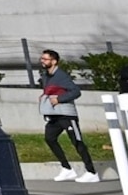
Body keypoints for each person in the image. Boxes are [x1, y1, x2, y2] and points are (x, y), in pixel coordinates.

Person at [36, 50, 98, 182]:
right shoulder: (46, 76)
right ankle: (67, 168)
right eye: (42, 58)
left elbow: (76, 91)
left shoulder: (61, 76)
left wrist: (60, 99)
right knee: (49, 138)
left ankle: (91, 171)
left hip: (67, 115)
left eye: (45, 59)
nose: (42, 61)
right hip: (54, 115)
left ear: (54, 61)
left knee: (77, 141)